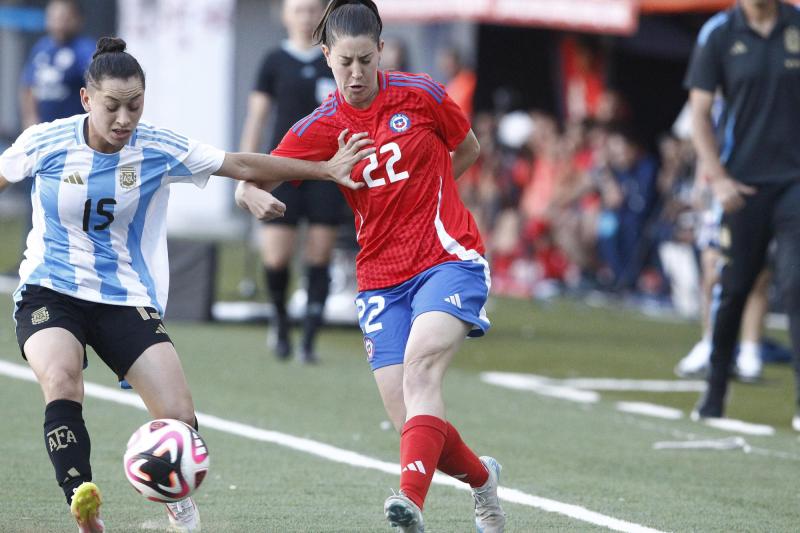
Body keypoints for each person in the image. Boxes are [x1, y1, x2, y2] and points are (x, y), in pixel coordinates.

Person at [0, 37, 372, 533]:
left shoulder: (156, 146)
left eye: (135, 105)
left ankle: (177, 501)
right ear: (88, 100)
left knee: (179, 416)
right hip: (50, 290)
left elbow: (239, 164)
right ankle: (83, 502)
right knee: (63, 380)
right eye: (112, 107)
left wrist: (324, 170)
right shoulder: (43, 142)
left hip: (123, 297)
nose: (124, 119)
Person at [236, 1, 506, 531]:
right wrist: (249, 195)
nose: (356, 74)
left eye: (365, 60)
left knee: (422, 368)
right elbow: (256, 177)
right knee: (413, 423)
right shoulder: (322, 124)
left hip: (446, 257)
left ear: (381, 50)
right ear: (326, 57)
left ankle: (409, 503)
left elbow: (468, 147)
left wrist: (429, 195)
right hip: (381, 279)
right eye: (344, 63)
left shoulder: (421, 94)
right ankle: (483, 481)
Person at [685, 0, 800, 430]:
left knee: (796, 282)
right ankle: (715, 390)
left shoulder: (796, 25)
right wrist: (717, 177)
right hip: (743, 183)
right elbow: (699, 112)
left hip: (795, 182)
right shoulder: (719, 33)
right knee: (733, 287)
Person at [239, 0, 345, 363]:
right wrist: (245, 171)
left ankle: (309, 340)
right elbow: (257, 118)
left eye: (314, 9)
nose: (307, 16)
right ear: (285, 15)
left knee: (319, 253)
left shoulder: (335, 58)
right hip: (282, 168)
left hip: (328, 170)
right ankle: (281, 323)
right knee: (277, 256)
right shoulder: (274, 61)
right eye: (299, 9)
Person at [20, 0, 95, 128]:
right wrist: (30, 120)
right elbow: (28, 86)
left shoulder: (86, 50)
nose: (58, 24)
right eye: (53, 17)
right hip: (42, 131)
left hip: (74, 131)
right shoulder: (41, 47)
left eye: (64, 18)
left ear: (77, 19)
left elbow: (98, 87)